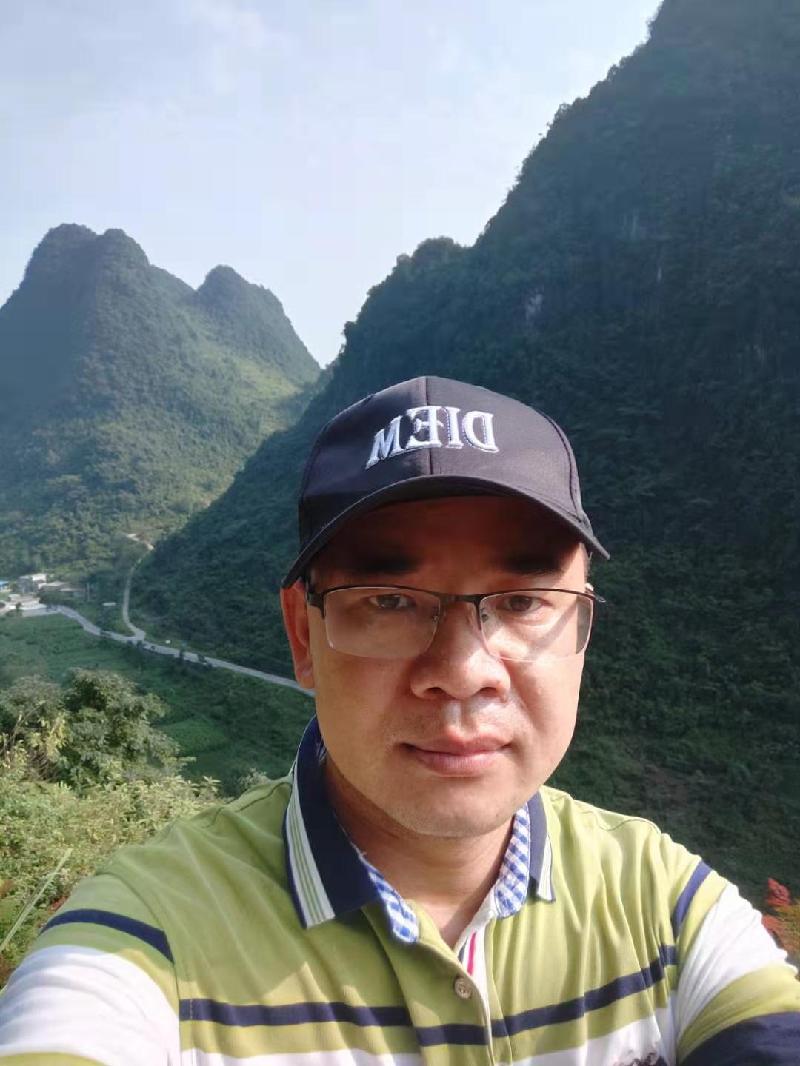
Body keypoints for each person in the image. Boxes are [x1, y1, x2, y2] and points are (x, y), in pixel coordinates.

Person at [0, 375, 798, 1064]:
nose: (463, 671)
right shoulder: (148, 935)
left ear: (582, 625)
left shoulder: (662, 903)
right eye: (388, 601)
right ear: (303, 635)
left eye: (523, 602)